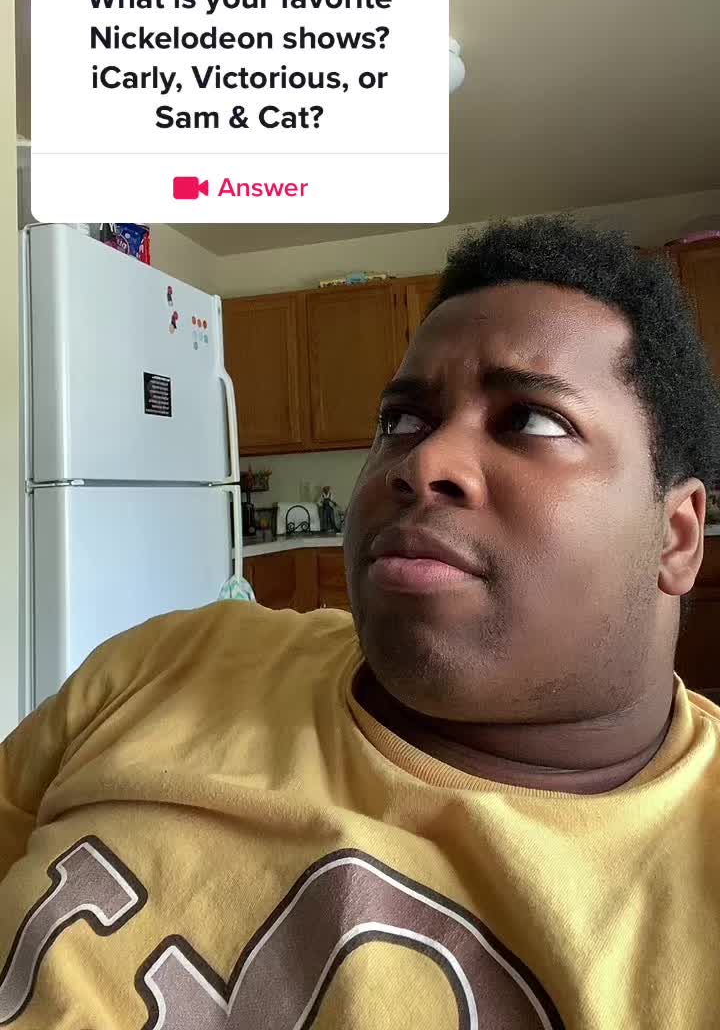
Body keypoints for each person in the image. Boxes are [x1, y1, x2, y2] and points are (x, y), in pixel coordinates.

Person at [1, 215, 719, 1029]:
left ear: (676, 536)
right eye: (403, 421)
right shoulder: (169, 660)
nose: (423, 462)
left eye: (530, 420)